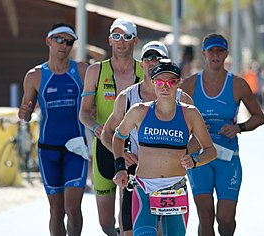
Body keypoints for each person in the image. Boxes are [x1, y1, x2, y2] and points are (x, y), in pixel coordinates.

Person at [112, 59, 217, 236]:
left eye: (170, 82)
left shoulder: (190, 113)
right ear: (153, 83)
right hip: (144, 187)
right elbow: (118, 137)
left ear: (178, 84)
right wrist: (120, 168)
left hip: (175, 188)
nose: (165, 87)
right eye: (160, 82)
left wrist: (195, 160)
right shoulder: (139, 111)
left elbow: (210, 150)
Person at [101, 41, 193, 236]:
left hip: (169, 177)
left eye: (158, 58)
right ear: (141, 64)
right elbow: (107, 134)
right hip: (135, 172)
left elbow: (197, 137)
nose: (153, 62)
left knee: (162, 232)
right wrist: (121, 157)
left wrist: (184, 156)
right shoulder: (127, 98)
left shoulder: (182, 99)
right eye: (148, 58)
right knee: (130, 231)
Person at [181, 33, 264, 236]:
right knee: (205, 215)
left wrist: (239, 128)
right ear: (204, 54)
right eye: (211, 51)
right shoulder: (190, 85)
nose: (215, 55)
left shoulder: (238, 84)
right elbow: (174, 116)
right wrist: (193, 128)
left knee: (226, 221)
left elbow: (259, 117)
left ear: (226, 54)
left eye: (220, 51)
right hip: (199, 157)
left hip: (228, 158)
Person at [18, 22, 89, 236]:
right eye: (59, 39)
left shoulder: (83, 71)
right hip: (47, 150)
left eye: (69, 42)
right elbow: (25, 113)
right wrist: (24, 114)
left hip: (76, 149)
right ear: (48, 41)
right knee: (57, 211)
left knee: (73, 209)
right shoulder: (35, 76)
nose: (64, 45)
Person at [79, 17, 143, 235]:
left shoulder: (145, 72)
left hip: (134, 149)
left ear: (135, 41)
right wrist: (95, 126)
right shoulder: (96, 71)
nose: (121, 41)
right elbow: (84, 113)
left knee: (128, 216)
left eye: (126, 36)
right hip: (105, 147)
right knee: (106, 222)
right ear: (109, 40)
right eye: (116, 36)